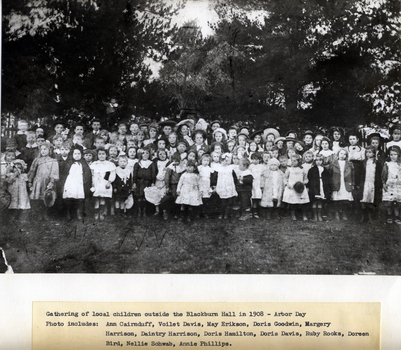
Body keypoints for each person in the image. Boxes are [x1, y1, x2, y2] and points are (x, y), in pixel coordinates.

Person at [27, 143, 59, 220]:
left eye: (45, 149)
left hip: (47, 182)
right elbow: (32, 171)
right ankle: (38, 214)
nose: (43, 151)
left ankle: (45, 214)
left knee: (46, 198)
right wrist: (30, 181)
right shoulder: (37, 160)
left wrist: (51, 182)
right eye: (41, 149)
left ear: (50, 150)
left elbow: (54, 172)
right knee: (38, 199)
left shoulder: (53, 161)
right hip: (38, 182)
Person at [60, 147, 92, 220]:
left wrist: (85, 182)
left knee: (79, 197)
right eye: (75, 154)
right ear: (72, 154)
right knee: (69, 196)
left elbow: (87, 175)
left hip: (79, 182)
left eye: (78, 154)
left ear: (81, 155)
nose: (77, 155)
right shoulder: (69, 163)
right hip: (70, 182)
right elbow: (64, 174)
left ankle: (79, 213)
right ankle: (68, 213)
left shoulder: (83, 164)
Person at [90, 148, 116, 220]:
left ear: (106, 155)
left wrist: (109, 182)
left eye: (103, 154)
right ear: (97, 155)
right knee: (96, 198)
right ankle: (96, 212)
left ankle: (101, 212)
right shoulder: (94, 164)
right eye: (100, 154)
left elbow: (112, 174)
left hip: (105, 183)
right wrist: (92, 183)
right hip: (96, 182)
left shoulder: (110, 164)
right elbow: (92, 174)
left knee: (102, 197)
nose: (101, 156)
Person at [329, 148, 354, 221]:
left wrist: (353, 183)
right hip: (337, 182)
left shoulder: (349, 164)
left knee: (345, 199)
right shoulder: (334, 164)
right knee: (337, 199)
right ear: (338, 154)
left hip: (346, 182)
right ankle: (337, 213)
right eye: (341, 154)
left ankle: (344, 213)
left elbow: (352, 174)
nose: (342, 156)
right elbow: (330, 174)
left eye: (344, 154)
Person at [283, 154, 309, 221]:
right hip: (292, 187)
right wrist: (287, 184)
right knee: (292, 202)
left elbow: (306, 178)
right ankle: (293, 215)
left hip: (300, 187)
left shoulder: (302, 169)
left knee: (303, 202)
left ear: (299, 161)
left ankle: (304, 215)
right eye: (292, 161)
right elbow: (285, 178)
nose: (293, 162)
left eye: (295, 161)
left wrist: (304, 182)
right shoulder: (289, 169)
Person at [360, 146, 383, 222]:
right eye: (367, 152)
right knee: (364, 199)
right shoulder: (363, 162)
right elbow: (361, 174)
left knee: (372, 199)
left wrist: (379, 184)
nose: (368, 154)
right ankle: (364, 215)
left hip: (373, 183)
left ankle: (370, 216)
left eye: (370, 152)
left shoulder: (377, 163)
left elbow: (379, 174)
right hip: (365, 183)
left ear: (374, 153)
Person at [144, 149, 169, 216]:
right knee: (157, 195)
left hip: (165, 181)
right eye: (160, 154)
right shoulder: (156, 162)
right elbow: (154, 172)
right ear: (157, 155)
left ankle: (164, 211)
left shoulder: (168, 162)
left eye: (164, 154)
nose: (162, 155)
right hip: (157, 180)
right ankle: (157, 210)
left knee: (163, 195)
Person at [133, 148, 156, 217]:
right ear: (140, 154)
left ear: (149, 154)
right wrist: (134, 182)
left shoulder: (151, 164)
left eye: (147, 153)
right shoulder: (138, 163)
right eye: (143, 153)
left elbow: (153, 174)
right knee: (140, 196)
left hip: (147, 182)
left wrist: (153, 182)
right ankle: (139, 211)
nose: (145, 155)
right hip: (139, 182)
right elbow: (135, 174)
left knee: (146, 197)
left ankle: (145, 211)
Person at [307, 154, 331, 221]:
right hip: (314, 186)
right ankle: (315, 216)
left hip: (322, 185)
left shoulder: (325, 170)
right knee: (315, 201)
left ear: (322, 161)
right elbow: (309, 179)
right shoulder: (312, 170)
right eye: (317, 160)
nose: (318, 162)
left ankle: (319, 215)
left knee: (320, 201)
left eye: (320, 160)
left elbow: (327, 179)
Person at [382, 145, 401, 224]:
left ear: (398, 155)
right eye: (391, 155)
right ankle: (389, 215)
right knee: (389, 201)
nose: (393, 156)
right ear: (389, 155)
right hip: (389, 184)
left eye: (395, 154)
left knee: (397, 201)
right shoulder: (387, 164)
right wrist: (384, 183)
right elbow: (384, 175)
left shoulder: (400, 164)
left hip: (398, 185)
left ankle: (396, 216)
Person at [215, 153, 238, 219]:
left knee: (229, 201)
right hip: (221, 186)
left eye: (227, 161)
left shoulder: (230, 168)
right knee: (222, 201)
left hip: (229, 186)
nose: (225, 162)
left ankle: (226, 214)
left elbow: (234, 178)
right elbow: (215, 178)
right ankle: (221, 213)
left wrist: (234, 186)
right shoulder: (218, 169)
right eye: (223, 160)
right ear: (220, 161)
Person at [197, 154, 215, 218]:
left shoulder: (209, 169)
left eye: (207, 161)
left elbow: (212, 177)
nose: (206, 162)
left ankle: (205, 213)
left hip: (207, 184)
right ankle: (198, 212)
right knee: (199, 198)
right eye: (204, 160)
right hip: (200, 182)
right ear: (201, 161)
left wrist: (211, 187)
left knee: (206, 199)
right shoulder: (199, 168)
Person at [249, 152, 264, 218]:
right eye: (253, 159)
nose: (255, 161)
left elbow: (263, 175)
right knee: (253, 197)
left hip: (259, 183)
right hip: (253, 183)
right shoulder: (250, 166)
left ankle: (259, 211)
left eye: (257, 159)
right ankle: (253, 211)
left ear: (259, 160)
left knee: (258, 197)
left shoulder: (261, 166)